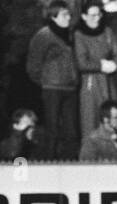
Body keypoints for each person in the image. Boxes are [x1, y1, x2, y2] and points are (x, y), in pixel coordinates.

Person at [27, 1, 81, 159]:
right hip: (52, 88)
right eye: (64, 15)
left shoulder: (70, 33)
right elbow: (33, 64)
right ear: (54, 17)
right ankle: (49, 160)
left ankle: (70, 161)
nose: (68, 18)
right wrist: (45, 80)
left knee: (71, 130)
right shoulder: (44, 35)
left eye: (69, 14)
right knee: (52, 129)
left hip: (70, 87)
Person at [74, 1, 117, 140]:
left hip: (108, 82)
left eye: (99, 14)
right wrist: (100, 66)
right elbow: (82, 62)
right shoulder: (79, 35)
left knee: (112, 116)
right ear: (84, 16)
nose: (97, 18)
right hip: (90, 83)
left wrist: (114, 64)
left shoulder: (107, 32)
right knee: (90, 119)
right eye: (92, 15)